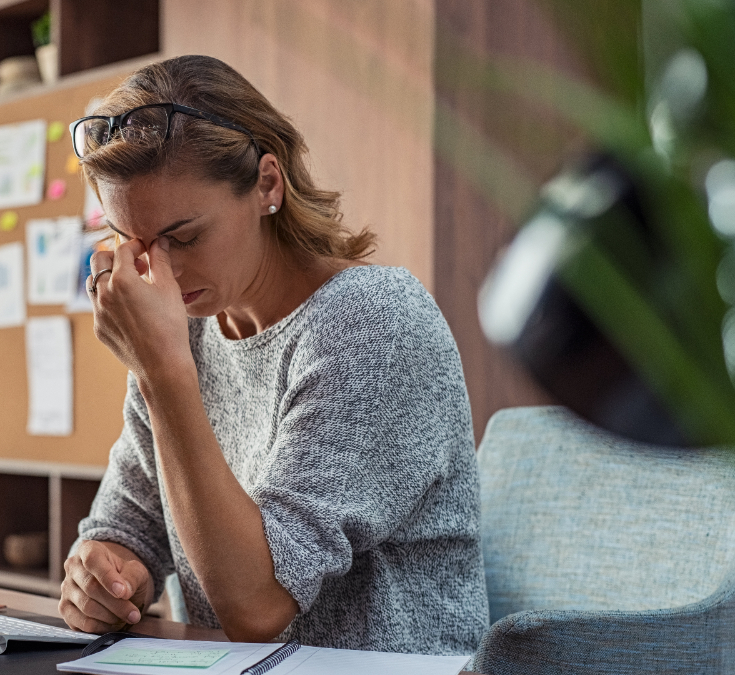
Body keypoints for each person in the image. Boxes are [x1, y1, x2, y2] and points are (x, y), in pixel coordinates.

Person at [58, 54, 488, 655]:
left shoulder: (371, 323)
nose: (161, 271)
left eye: (184, 237)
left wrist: (162, 371)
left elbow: (258, 605)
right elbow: (130, 524)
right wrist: (104, 575)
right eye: (134, 243)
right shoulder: (187, 332)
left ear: (267, 184)